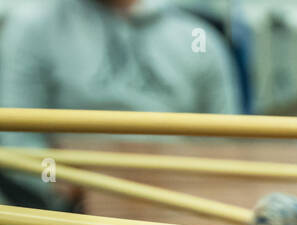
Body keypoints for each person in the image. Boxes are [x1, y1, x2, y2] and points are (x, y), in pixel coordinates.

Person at [0, 0, 241, 189]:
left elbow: (223, 138)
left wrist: (195, 182)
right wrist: (54, 182)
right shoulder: (31, 27)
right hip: (80, 210)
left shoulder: (199, 37)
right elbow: (17, 139)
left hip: (184, 195)